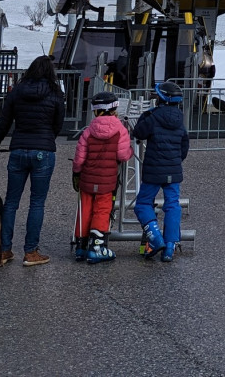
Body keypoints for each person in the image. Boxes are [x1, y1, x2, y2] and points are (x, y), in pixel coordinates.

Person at [0, 54, 66, 266]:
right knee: (36, 203)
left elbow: (3, 124)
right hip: (43, 152)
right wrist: (47, 140)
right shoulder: (55, 93)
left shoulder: (17, 92)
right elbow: (58, 124)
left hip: (18, 150)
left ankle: (4, 251)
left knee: (11, 202)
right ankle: (30, 253)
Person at [71, 90, 134, 264]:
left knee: (85, 208)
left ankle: (81, 246)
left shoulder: (88, 131)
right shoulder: (120, 130)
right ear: (114, 109)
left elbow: (79, 159)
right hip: (107, 181)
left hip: (87, 179)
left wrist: (76, 172)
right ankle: (97, 247)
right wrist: (130, 151)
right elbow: (122, 155)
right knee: (102, 210)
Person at [131, 80, 189, 262]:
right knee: (172, 205)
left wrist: (145, 116)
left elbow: (139, 133)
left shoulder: (153, 116)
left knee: (142, 204)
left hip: (154, 170)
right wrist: (174, 161)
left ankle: (155, 238)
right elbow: (184, 146)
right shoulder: (180, 119)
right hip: (173, 169)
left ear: (161, 99)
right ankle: (170, 247)